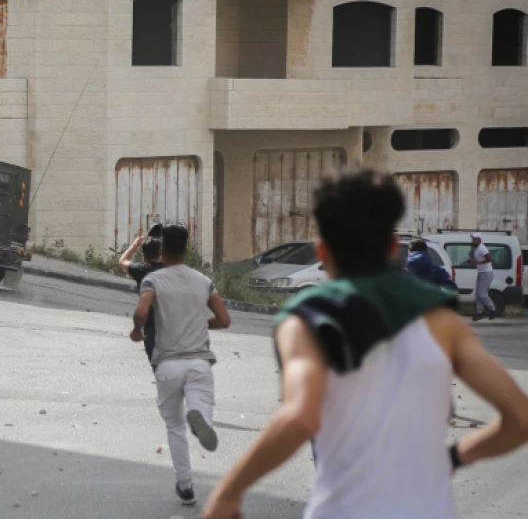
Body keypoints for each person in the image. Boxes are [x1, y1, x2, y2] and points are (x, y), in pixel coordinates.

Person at [202, 169, 528, 519]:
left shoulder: (306, 320)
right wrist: (455, 456)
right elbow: (519, 419)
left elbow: (299, 419)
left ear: (322, 250)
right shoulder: (443, 321)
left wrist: (229, 492)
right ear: (392, 247)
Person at [130, 224, 232, 506]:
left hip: (168, 365)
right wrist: (201, 322)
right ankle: (202, 417)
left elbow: (141, 310)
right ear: (187, 250)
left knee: (175, 427)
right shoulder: (203, 281)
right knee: (200, 402)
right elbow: (224, 320)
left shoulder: (154, 279)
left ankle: (185, 486)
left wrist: (138, 330)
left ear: (162, 251)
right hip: (199, 361)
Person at [119, 230, 164, 362]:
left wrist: (135, 245)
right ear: (161, 254)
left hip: (152, 328)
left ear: (143, 256)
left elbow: (123, 261)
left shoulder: (141, 270)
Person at [466, 232, 497, 321]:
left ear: (479, 239)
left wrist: (479, 262)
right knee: (478, 294)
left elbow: (490, 258)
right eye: (473, 239)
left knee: (482, 294)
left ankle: (492, 310)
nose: (473, 240)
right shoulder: (477, 248)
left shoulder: (482, 248)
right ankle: (479, 313)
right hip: (481, 272)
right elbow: (477, 258)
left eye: (475, 239)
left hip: (486, 273)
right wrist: (472, 260)